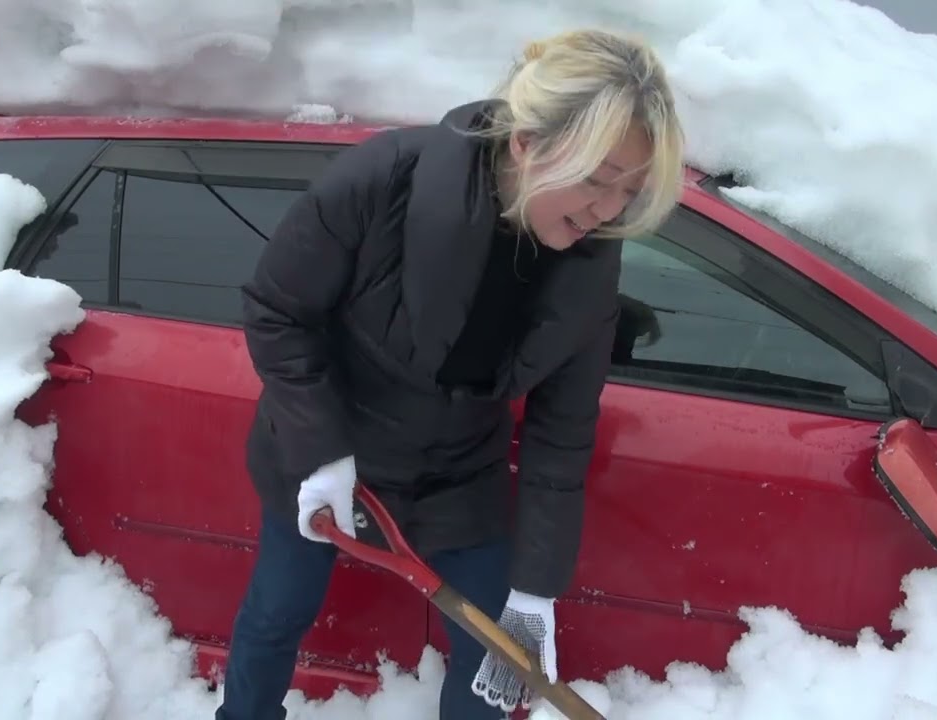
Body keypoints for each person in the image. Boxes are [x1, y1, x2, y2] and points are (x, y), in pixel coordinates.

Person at [215, 27, 686, 720]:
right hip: (328, 453)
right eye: (594, 179)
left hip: (460, 474)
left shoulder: (591, 260)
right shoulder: (385, 181)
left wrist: (536, 589)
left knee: (496, 656)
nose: (610, 210)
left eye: (631, 189)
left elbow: (562, 435)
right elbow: (278, 313)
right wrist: (320, 451)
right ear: (525, 143)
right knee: (278, 611)